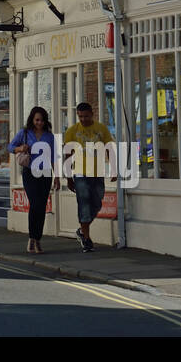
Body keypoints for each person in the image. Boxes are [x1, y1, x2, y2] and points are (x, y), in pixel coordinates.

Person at [62, 101, 114, 253]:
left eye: (85, 116)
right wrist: (69, 177)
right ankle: (87, 239)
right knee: (84, 202)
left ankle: (81, 230)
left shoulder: (101, 129)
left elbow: (109, 148)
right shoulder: (72, 131)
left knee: (97, 202)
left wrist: (114, 168)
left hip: (97, 172)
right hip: (80, 172)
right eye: (80, 117)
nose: (83, 119)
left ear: (92, 114)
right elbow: (67, 154)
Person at [9, 107, 58, 254]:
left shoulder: (49, 136)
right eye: (37, 120)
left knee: (41, 206)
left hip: (46, 173)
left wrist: (57, 177)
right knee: (35, 204)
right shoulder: (24, 133)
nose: (40, 123)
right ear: (32, 119)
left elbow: (54, 157)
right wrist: (20, 148)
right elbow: (9, 147)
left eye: (42, 120)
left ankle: (37, 239)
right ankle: (32, 237)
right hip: (30, 173)